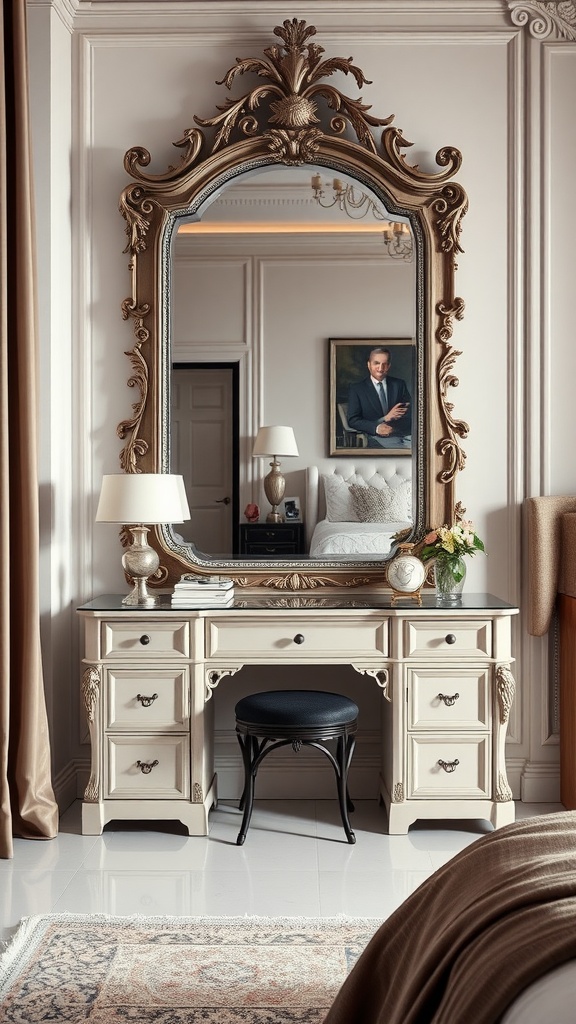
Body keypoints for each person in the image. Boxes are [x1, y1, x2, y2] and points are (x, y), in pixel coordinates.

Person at [346, 346, 411, 449]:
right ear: (369, 365)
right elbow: (353, 420)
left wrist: (403, 412)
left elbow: (411, 413)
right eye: (376, 363)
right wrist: (383, 421)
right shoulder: (357, 389)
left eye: (384, 364)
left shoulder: (399, 384)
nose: (380, 368)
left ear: (389, 366)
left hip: (403, 435)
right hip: (375, 436)